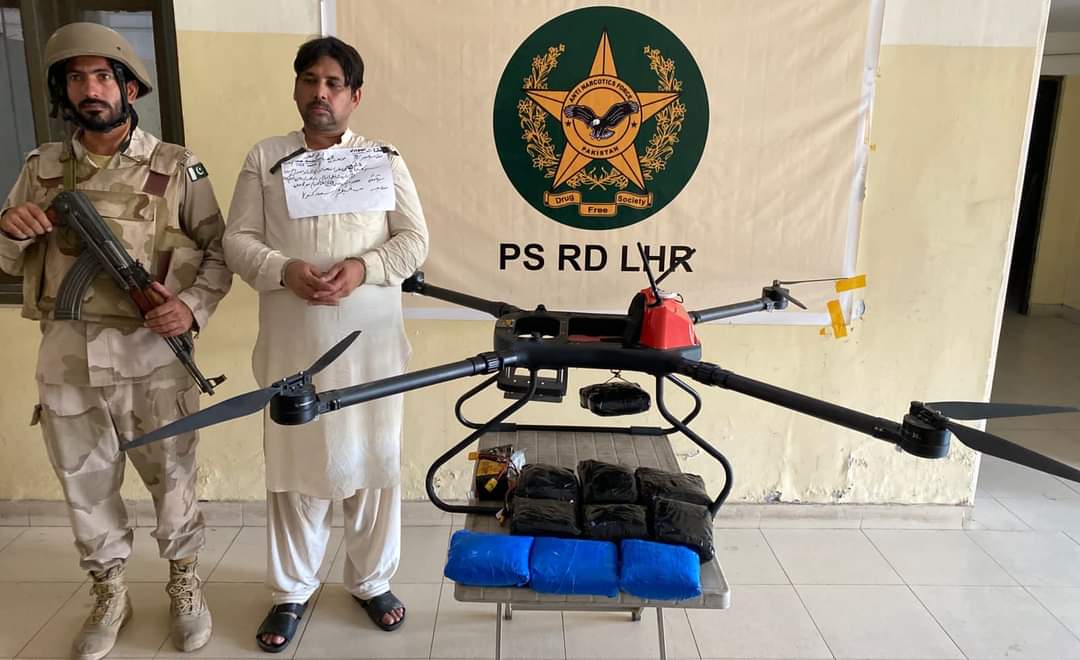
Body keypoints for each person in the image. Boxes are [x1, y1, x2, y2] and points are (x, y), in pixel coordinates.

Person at [0, 22, 230, 660]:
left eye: (103, 75)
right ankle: (109, 591)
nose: (90, 88)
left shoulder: (176, 166)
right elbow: (8, 261)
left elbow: (218, 253)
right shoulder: (40, 170)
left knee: (173, 475)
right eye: (76, 78)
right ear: (63, 92)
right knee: (84, 481)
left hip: (153, 356)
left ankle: (184, 582)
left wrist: (189, 308)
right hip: (68, 357)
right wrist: (10, 231)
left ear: (130, 88)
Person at [222, 36, 428, 652]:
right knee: (294, 468)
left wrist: (363, 268)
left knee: (375, 463)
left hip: (371, 351)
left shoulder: (382, 158)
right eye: (310, 80)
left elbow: (414, 241)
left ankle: (372, 581)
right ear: (296, 88)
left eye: (334, 83)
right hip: (294, 347)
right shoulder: (267, 158)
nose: (321, 93)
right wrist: (283, 269)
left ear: (354, 96)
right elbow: (237, 240)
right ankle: (292, 590)